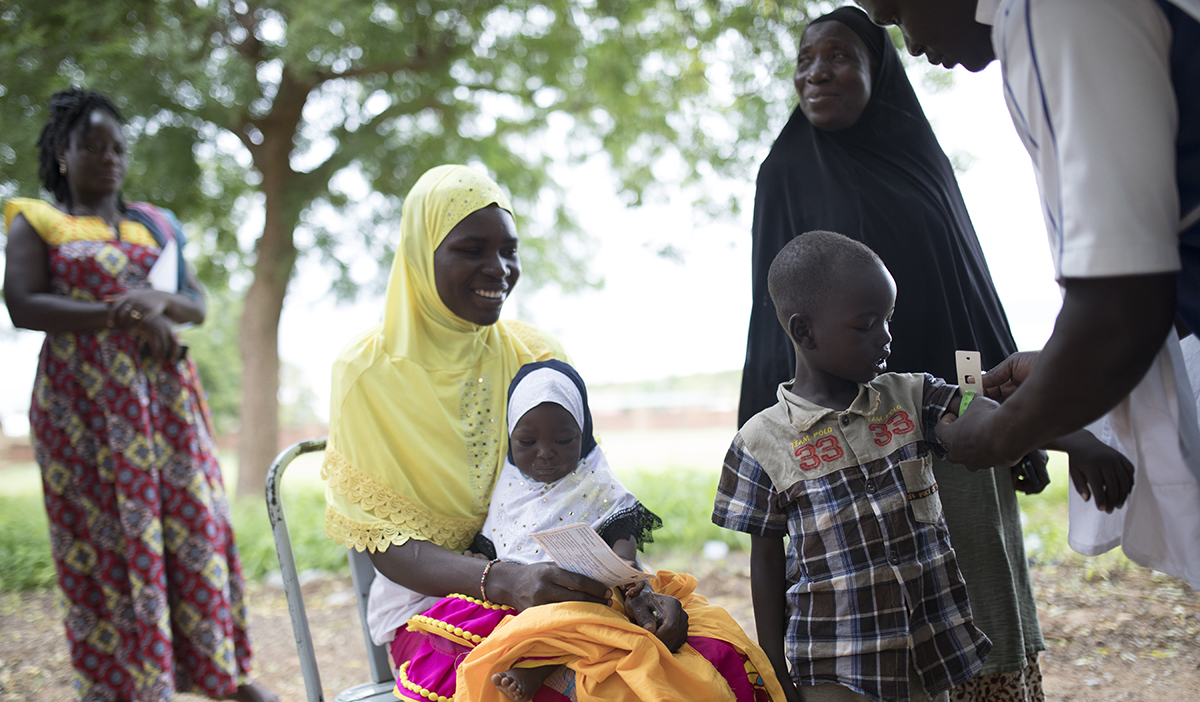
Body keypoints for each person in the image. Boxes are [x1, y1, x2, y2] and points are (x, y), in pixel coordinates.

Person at [321, 164, 735, 700]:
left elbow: (587, 494)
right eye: (472, 249)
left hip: (570, 584)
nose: (498, 269)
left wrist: (634, 586)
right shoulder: (366, 372)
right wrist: (502, 580)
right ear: (421, 256)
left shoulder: (535, 356)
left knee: (708, 660)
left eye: (509, 251)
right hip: (433, 601)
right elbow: (385, 544)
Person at [736, 7, 1056, 698]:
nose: (817, 71)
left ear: (878, 70)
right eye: (805, 59)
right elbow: (770, 325)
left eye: (840, 56)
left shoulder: (916, 159)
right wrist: (769, 437)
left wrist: (1005, 426)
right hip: (839, 450)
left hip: (948, 431)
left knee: (975, 609)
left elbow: (963, 299)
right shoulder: (784, 171)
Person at [852, 0, 1200, 586]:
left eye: (897, 13)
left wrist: (1005, 433)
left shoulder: (1054, 15)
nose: (909, 45)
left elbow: (1122, 303)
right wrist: (1062, 370)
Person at [714, 231, 1132, 702]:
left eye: (888, 319)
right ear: (805, 331)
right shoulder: (761, 442)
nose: (886, 336)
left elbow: (992, 417)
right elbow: (766, 561)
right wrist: (774, 667)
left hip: (925, 655)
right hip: (835, 666)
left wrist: (1079, 442)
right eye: (866, 324)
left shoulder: (909, 397)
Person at [2, 89, 277, 702]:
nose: (109, 157)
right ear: (62, 153)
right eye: (93, 145)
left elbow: (194, 304)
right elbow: (22, 303)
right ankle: (122, 685)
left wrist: (155, 303)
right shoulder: (38, 220)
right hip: (83, 412)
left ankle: (223, 676)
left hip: (168, 407)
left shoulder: (156, 222)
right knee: (103, 537)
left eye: (118, 147)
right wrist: (118, 315)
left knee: (197, 523)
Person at [397, 359, 784, 702]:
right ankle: (532, 669)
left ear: (583, 435)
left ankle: (533, 671)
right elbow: (495, 542)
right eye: (526, 441)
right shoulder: (509, 486)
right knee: (533, 630)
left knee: (590, 625)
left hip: (593, 592)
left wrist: (624, 568)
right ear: (509, 438)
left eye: (563, 440)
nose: (545, 452)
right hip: (524, 598)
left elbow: (623, 542)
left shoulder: (597, 484)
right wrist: (479, 559)